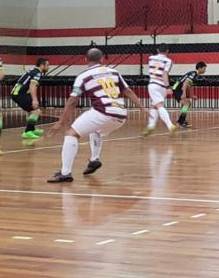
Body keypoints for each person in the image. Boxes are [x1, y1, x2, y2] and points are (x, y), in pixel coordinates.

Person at [47, 48, 145, 183]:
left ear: (85, 59)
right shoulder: (114, 72)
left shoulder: (83, 76)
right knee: (96, 130)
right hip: (121, 114)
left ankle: (65, 173)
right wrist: (143, 109)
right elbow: (127, 91)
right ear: (102, 59)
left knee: (71, 134)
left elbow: (73, 100)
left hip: (102, 112)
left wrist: (61, 121)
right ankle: (94, 160)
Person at [12, 57, 49, 144]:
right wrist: (34, 100)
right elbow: (32, 86)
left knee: (31, 110)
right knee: (36, 111)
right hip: (19, 94)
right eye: (47, 65)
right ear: (42, 65)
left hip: (19, 93)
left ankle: (32, 128)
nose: (48, 67)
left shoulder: (33, 70)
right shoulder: (37, 73)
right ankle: (27, 132)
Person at [143, 44, 176, 135]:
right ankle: (151, 126)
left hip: (153, 84)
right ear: (167, 51)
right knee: (154, 105)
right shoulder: (168, 61)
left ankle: (170, 125)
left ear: (157, 50)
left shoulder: (150, 58)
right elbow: (165, 74)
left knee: (159, 105)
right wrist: (168, 87)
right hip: (162, 85)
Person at [171, 61, 207, 129]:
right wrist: (184, 94)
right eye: (204, 68)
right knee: (186, 104)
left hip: (179, 89)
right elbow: (185, 83)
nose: (205, 70)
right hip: (177, 88)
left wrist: (192, 95)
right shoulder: (193, 73)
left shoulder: (195, 75)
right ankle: (180, 122)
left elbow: (190, 85)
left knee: (187, 104)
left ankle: (182, 121)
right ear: (200, 68)